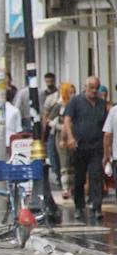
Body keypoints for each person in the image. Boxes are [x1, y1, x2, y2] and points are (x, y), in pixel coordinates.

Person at [65, 76, 108, 221]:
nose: (94, 91)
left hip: (96, 145)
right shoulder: (76, 101)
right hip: (80, 145)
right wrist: (70, 138)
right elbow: (67, 119)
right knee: (79, 178)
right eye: (92, 88)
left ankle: (97, 207)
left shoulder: (103, 104)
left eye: (97, 88)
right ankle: (79, 207)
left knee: (96, 176)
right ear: (86, 87)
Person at [50, 83, 76, 199]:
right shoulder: (59, 106)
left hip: (74, 135)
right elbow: (50, 120)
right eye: (70, 92)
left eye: (74, 92)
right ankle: (65, 188)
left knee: (73, 162)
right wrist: (60, 126)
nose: (73, 95)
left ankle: (73, 187)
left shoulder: (77, 105)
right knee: (64, 162)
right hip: (61, 136)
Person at [42, 73, 60, 187]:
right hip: (50, 129)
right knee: (52, 154)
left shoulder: (58, 96)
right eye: (47, 81)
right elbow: (45, 114)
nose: (50, 84)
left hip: (57, 129)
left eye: (51, 81)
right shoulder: (44, 95)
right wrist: (45, 130)